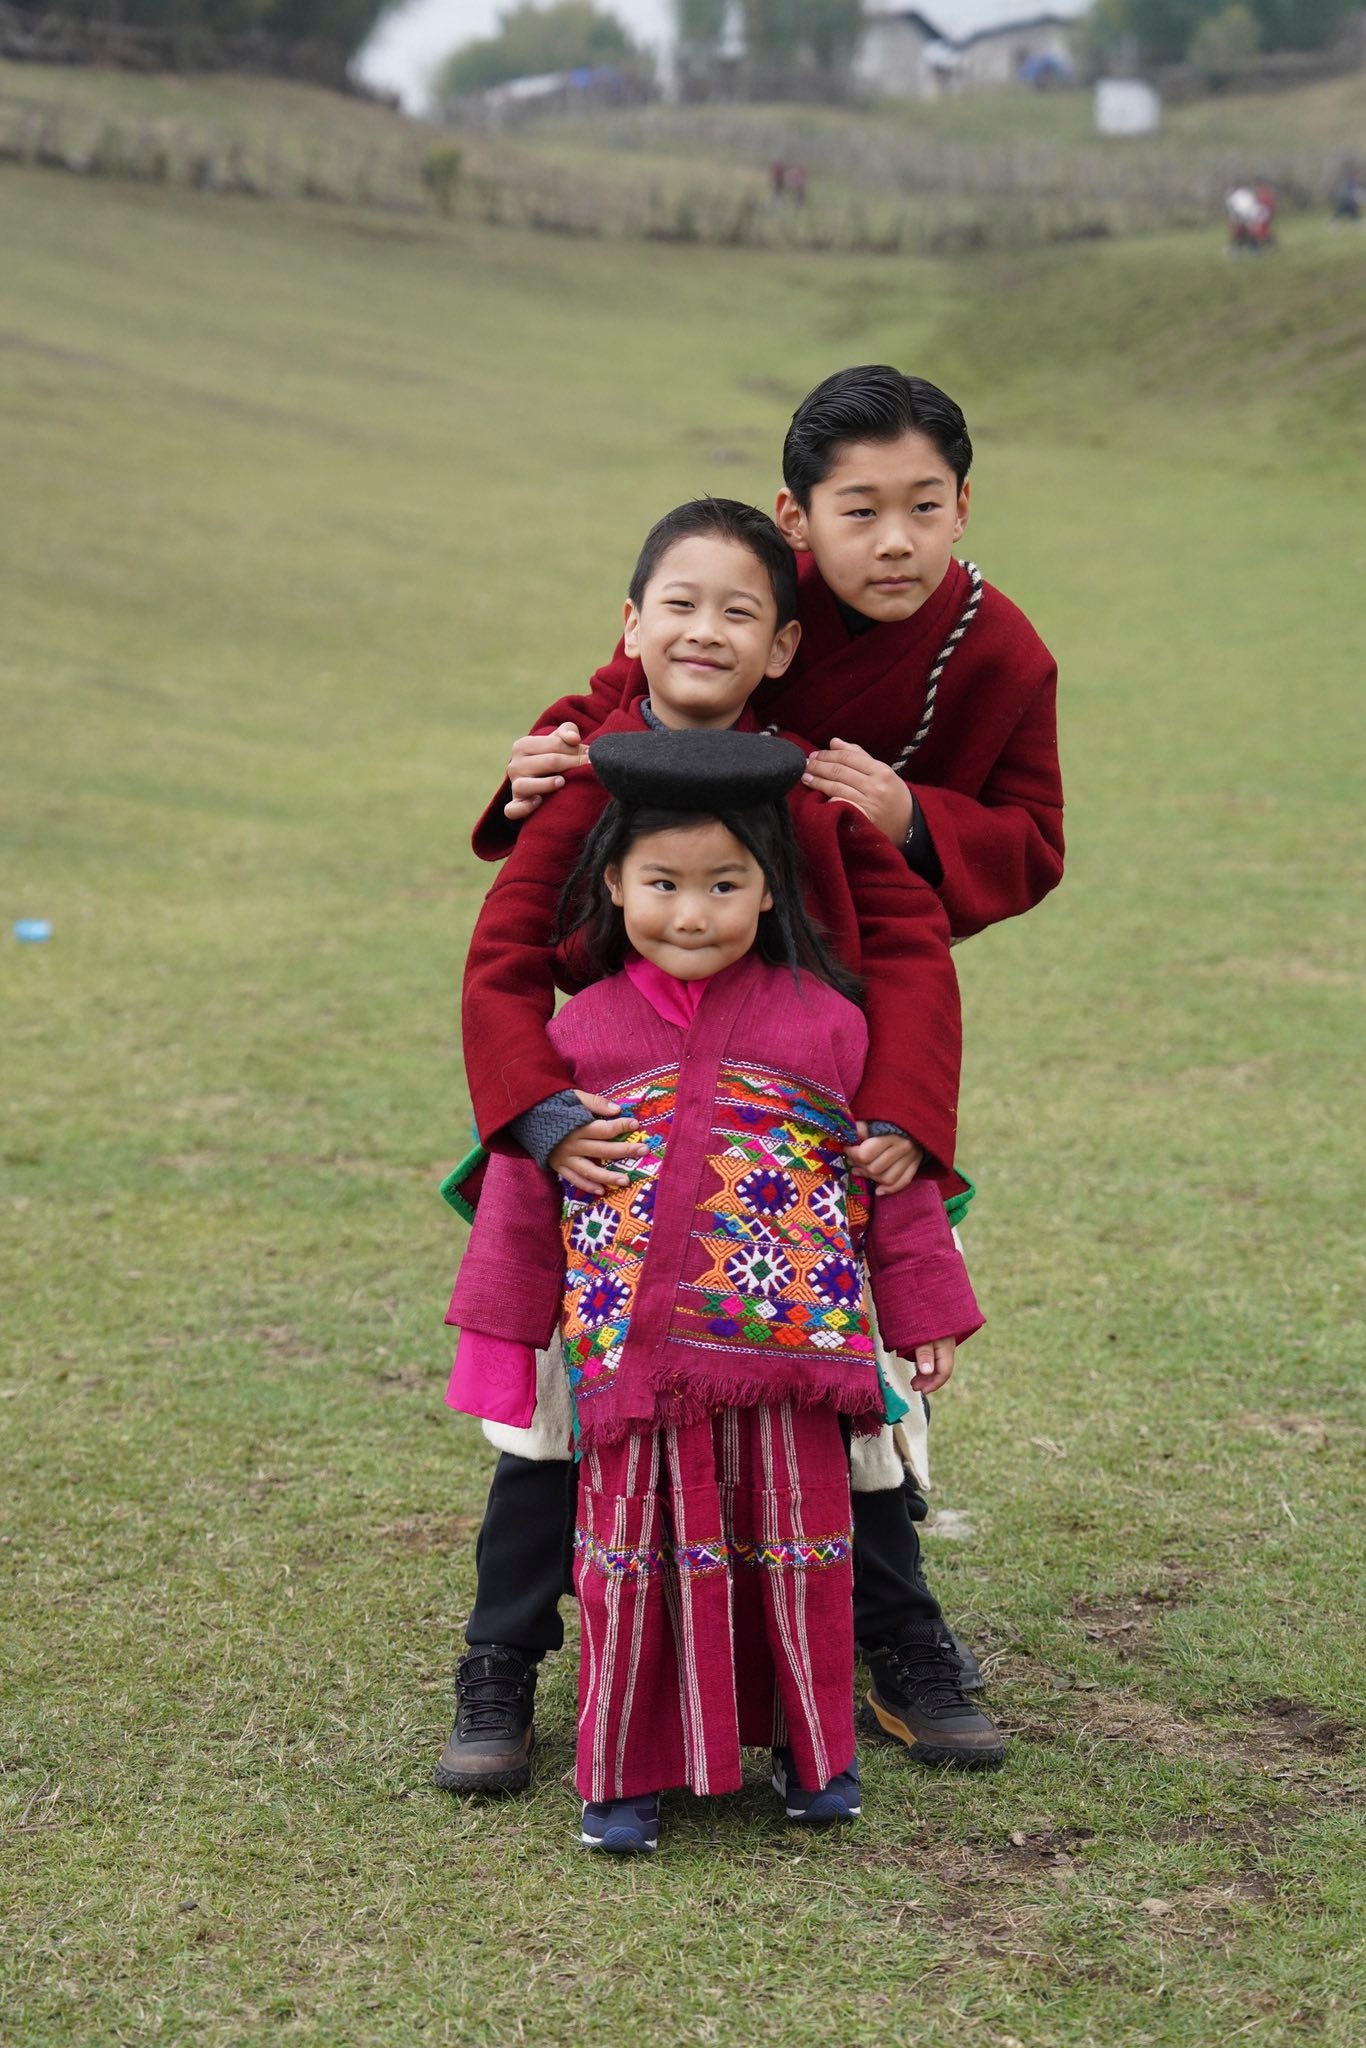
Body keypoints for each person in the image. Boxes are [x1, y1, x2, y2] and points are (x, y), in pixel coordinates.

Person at [450, 367, 1062, 1780]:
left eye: (924, 507)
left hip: (799, 1118)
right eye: (861, 511)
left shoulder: (867, 748)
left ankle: (898, 1640)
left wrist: (903, 1112)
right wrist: (533, 1112)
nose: (894, 538)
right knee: (557, 1399)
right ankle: (499, 1661)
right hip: (603, 1126)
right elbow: (508, 944)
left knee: (843, 1397)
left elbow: (913, 941)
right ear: (804, 525)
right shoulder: (620, 738)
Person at [445, 727, 983, 1852]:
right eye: (662, 885)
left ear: (768, 889)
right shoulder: (578, 1034)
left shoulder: (831, 1026)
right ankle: (621, 1777)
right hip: (634, 1377)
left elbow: (893, 1187)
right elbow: (516, 1198)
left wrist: (925, 1310)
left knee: (795, 1555)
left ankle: (811, 1753)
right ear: (611, 883)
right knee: (629, 1563)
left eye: (724, 885)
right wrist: (502, 1343)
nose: (691, 913)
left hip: (794, 1369)